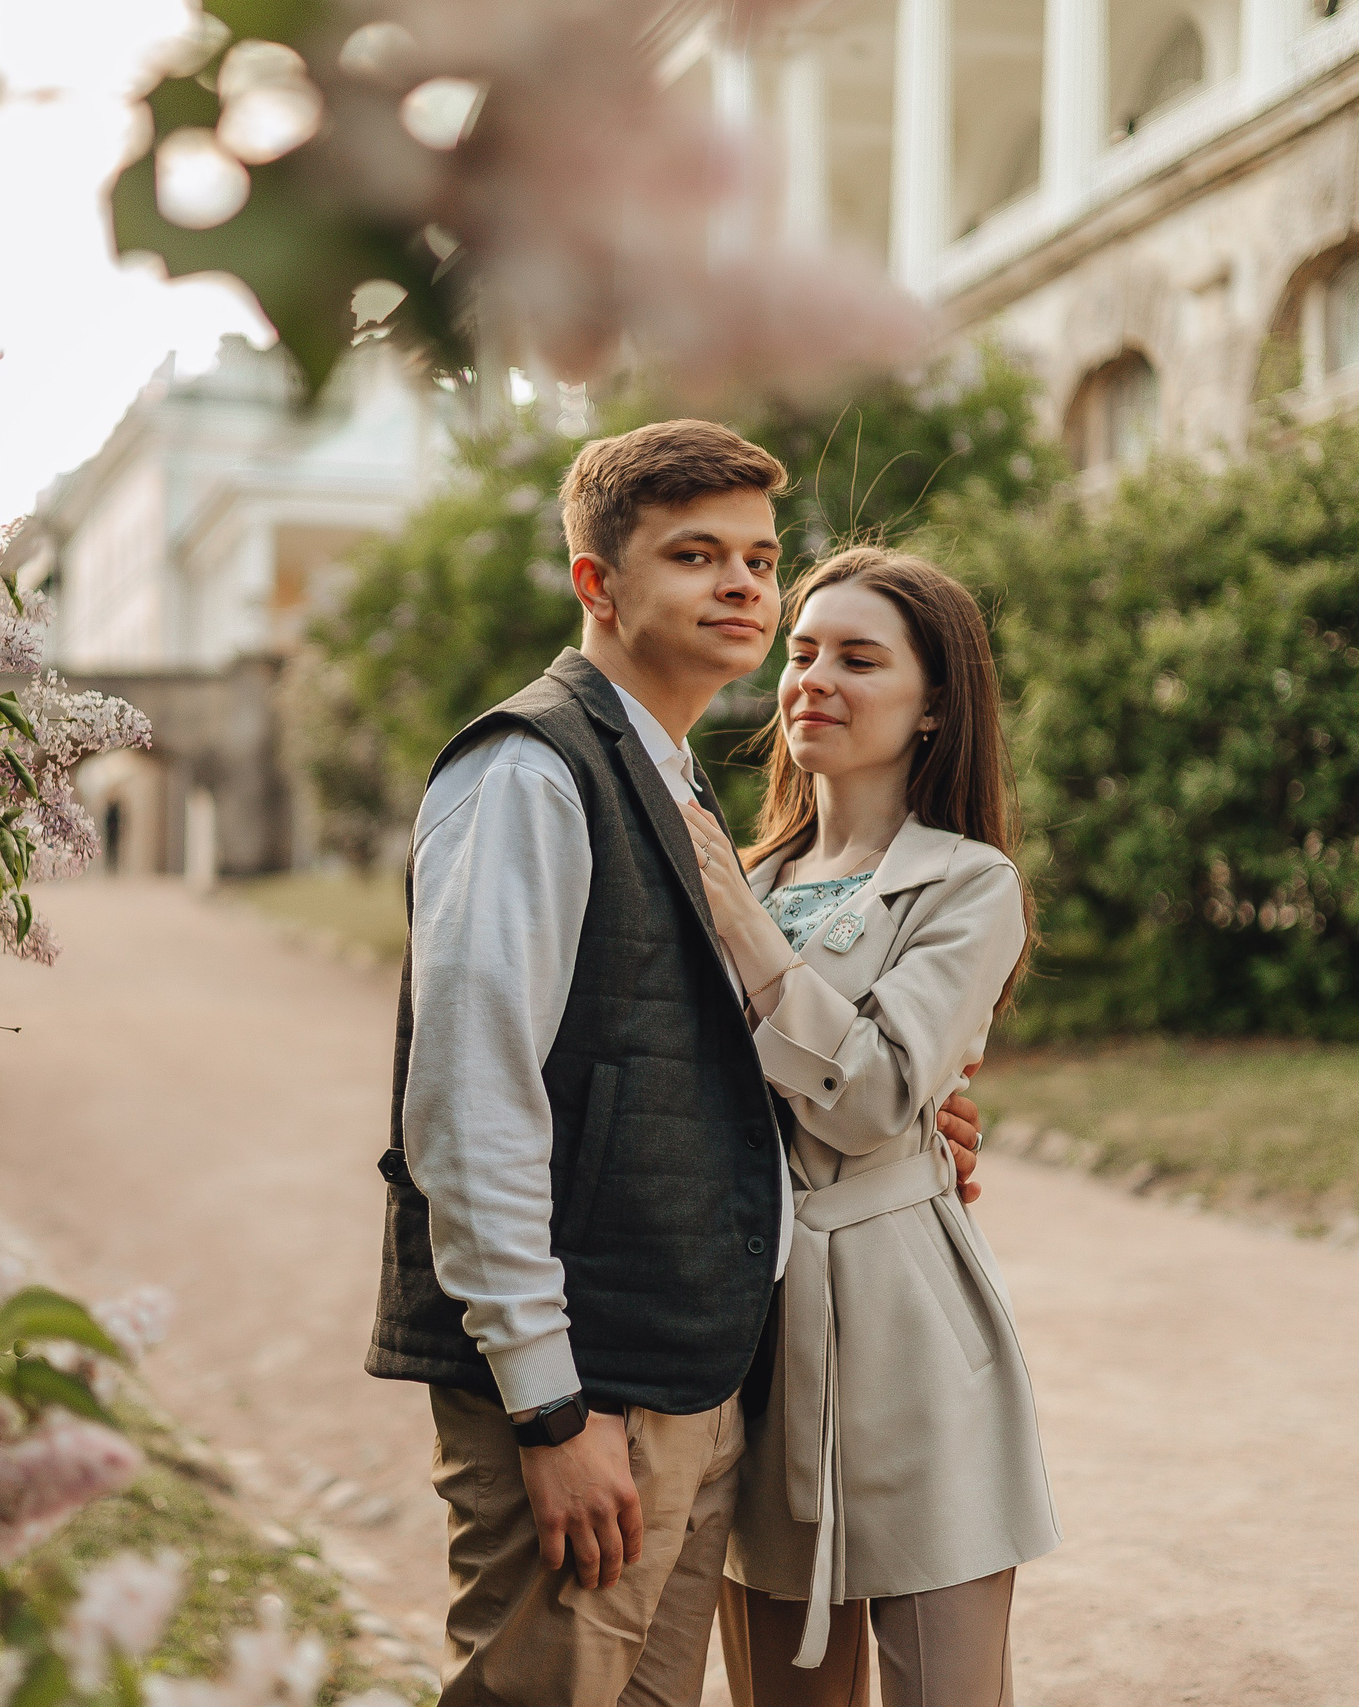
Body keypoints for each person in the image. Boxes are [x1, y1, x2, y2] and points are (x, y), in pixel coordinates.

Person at [364, 424, 984, 1707]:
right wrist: (548, 1406)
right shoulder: (531, 772)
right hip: (592, 1395)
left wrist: (919, 1127)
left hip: (698, 1395)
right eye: (696, 555)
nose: (747, 588)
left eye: (760, 558)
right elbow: (470, 1105)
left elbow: (676, 1058)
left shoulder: (675, 782)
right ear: (597, 584)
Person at [679, 546, 1058, 1707]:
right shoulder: (739, 867)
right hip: (748, 1349)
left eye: (857, 657)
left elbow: (879, 1096)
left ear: (935, 703)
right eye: (800, 653)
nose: (813, 680)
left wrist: (740, 925)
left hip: (908, 1336)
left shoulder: (967, 883)